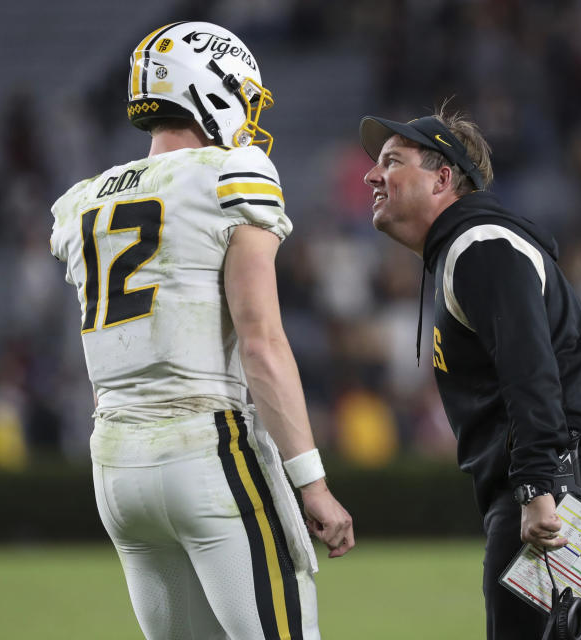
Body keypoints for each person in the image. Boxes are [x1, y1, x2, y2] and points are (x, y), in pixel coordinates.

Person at [50, 22, 354, 640]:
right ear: (211, 89)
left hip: (115, 465)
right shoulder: (232, 172)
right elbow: (261, 339)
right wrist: (313, 483)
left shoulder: (82, 199)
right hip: (204, 447)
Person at [359, 109, 581, 640]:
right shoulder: (466, 249)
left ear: (443, 178)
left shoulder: (481, 245)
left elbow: (529, 370)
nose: (371, 176)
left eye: (392, 162)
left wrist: (539, 488)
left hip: (570, 485)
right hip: (571, 482)